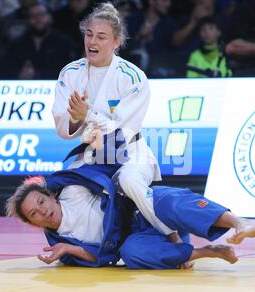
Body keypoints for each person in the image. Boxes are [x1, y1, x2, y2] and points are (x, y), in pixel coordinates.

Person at [52, 3, 180, 242]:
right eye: (89, 35)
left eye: (101, 37)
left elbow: (122, 131)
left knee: (129, 181)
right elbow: (62, 128)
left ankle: (172, 236)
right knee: (69, 190)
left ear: (116, 42)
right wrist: (75, 118)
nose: (93, 42)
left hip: (130, 150)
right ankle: (88, 245)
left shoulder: (132, 77)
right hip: (92, 152)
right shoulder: (70, 73)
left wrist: (87, 114)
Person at [5, 155, 255, 269]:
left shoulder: (71, 190)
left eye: (40, 201)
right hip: (139, 237)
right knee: (131, 254)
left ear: (49, 194)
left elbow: (92, 166)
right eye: (33, 214)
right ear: (33, 223)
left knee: (166, 201)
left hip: (140, 208)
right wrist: (69, 250)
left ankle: (238, 222)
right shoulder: (62, 244)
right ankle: (207, 252)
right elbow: (105, 259)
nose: (42, 211)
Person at [4, 2, 76, 79]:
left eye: (41, 15)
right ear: (27, 21)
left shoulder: (65, 43)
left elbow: (71, 71)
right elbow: (7, 69)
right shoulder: (17, 44)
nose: (38, 19)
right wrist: (19, 74)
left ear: (50, 18)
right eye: (33, 16)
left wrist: (38, 74)